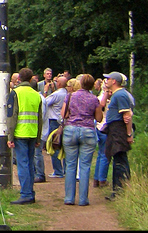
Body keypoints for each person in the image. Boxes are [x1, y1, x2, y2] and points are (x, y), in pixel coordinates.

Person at [60, 74, 101, 206]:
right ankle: (83, 199)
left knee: (70, 165)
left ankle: (69, 198)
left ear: (81, 84)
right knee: (85, 166)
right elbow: (99, 118)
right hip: (88, 131)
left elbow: (63, 114)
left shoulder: (71, 96)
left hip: (71, 130)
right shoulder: (94, 99)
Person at [6, 67, 43, 205]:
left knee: (22, 164)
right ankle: (30, 192)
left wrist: (10, 137)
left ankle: (26, 194)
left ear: (19, 79)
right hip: (33, 133)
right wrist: (38, 137)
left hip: (20, 133)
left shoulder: (15, 93)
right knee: (30, 164)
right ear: (31, 78)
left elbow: (12, 116)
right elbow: (40, 118)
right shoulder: (36, 94)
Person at [101, 71, 135, 201]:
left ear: (114, 81)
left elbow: (127, 115)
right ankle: (120, 189)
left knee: (119, 160)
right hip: (115, 129)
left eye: (108, 79)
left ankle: (119, 190)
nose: (106, 81)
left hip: (118, 130)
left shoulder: (120, 95)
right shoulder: (117, 94)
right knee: (119, 159)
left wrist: (128, 134)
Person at [44, 75, 68, 177]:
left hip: (54, 121)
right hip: (65, 121)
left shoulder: (56, 94)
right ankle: (67, 170)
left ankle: (58, 170)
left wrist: (45, 91)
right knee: (65, 146)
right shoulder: (68, 94)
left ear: (58, 84)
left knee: (54, 144)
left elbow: (44, 102)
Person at [93, 83, 110, 188]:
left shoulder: (98, 97)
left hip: (99, 127)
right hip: (104, 127)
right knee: (105, 154)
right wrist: (107, 94)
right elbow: (102, 105)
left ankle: (97, 178)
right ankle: (102, 179)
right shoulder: (102, 98)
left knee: (100, 154)